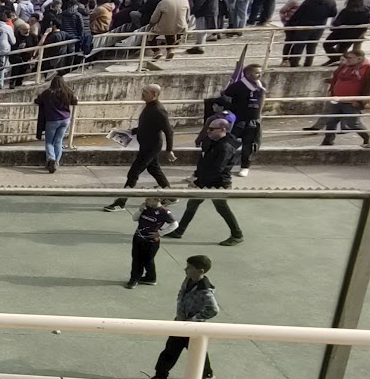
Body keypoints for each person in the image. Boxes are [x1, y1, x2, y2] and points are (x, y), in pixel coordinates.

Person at [166, 119, 244, 247]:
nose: (208, 131)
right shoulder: (213, 142)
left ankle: (237, 234)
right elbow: (204, 162)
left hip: (219, 183)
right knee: (193, 204)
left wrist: (198, 182)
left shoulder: (225, 147)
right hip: (206, 181)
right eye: (208, 128)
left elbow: (217, 169)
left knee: (222, 208)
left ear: (223, 130)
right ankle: (179, 231)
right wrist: (197, 175)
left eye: (212, 129)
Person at [142, 255, 220, 379]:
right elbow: (181, 295)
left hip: (194, 327)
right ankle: (160, 376)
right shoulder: (188, 280)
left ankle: (207, 374)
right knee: (170, 350)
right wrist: (180, 314)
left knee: (197, 352)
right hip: (180, 323)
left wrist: (194, 319)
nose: (185, 269)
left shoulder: (205, 290)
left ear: (200, 271)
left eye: (189, 267)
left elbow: (213, 309)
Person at [105, 85, 174, 212]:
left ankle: (121, 202)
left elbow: (169, 131)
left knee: (133, 173)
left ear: (154, 94)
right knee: (154, 170)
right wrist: (130, 131)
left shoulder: (158, 110)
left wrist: (169, 150)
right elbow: (147, 126)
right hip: (146, 146)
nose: (142, 94)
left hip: (151, 148)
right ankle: (171, 196)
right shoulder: (149, 107)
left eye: (145, 92)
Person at [313, 48, 370, 147]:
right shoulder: (345, 66)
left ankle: (368, 139)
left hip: (352, 102)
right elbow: (337, 78)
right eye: (347, 58)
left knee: (353, 123)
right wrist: (332, 90)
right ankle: (327, 141)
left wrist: (361, 101)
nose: (348, 60)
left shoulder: (368, 69)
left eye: (351, 58)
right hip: (338, 99)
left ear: (359, 58)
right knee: (331, 121)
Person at [222, 64, 264, 177]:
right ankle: (224, 166)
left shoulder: (261, 85)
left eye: (260, 72)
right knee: (229, 144)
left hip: (253, 120)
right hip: (238, 120)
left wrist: (259, 114)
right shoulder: (236, 86)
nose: (259, 75)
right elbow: (225, 98)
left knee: (249, 145)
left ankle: (245, 166)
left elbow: (262, 99)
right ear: (248, 74)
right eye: (257, 72)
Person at [128, 197, 177, 288]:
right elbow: (134, 218)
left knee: (148, 260)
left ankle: (150, 278)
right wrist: (140, 210)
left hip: (151, 241)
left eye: (149, 199)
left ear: (157, 200)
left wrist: (160, 233)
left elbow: (174, 224)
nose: (146, 201)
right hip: (138, 237)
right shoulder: (146, 208)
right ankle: (134, 278)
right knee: (137, 259)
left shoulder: (164, 211)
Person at [283, 0, 337, 67]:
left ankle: (294, 62)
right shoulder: (331, 1)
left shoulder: (309, 2)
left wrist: (289, 24)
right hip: (319, 27)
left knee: (299, 45)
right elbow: (333, 13)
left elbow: (298, 14)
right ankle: (308, 63)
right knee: (312, 46)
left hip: (304, 27)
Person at [35, 74, 78, 173]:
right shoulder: (67, 92)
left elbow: (38, 101)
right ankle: (56, 163)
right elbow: (75, 101)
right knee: (58, 141)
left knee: (49, 142)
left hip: (52, 120)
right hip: (65, 119)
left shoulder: (47, 93)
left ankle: (51, 159)